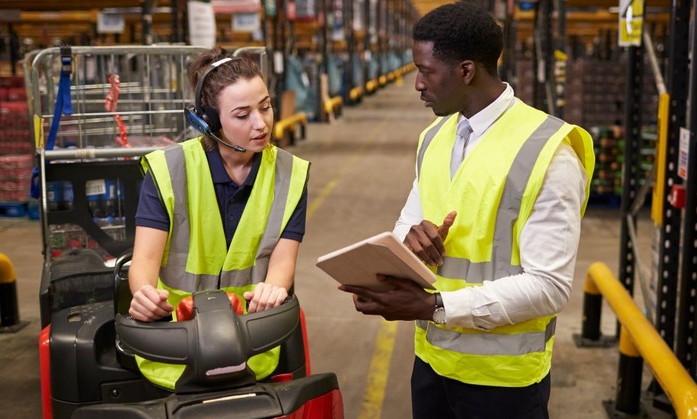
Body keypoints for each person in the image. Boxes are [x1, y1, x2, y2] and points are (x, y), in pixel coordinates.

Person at [338, 3, 594, 418]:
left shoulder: (549, 153)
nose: (417, 84)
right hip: (434, 363)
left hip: (503, 382)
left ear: (466, 71)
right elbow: (407, 220)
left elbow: (549, 287)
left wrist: (433, 306)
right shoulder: (435, 136)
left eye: (426, 71)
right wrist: (408, 243)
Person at [128, 46, 310, 391]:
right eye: (242, 115)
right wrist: (145, 295)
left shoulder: (290, 174)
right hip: (175, 345)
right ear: (208, 121)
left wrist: (274, 289)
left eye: (266, 106)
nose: (261, 124)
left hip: (252, 343)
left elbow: (283, 262)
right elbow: (145, 262)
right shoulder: (170, 170)